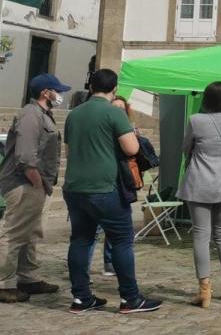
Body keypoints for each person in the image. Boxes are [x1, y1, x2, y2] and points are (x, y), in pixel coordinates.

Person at [63, 69, 161, 314]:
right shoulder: (114, 113)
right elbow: (130, 149)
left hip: (75, 187)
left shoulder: (74, 115)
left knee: (80, 240)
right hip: (105, 187)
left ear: (91, 86)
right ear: (114, 89)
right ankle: (130, 298)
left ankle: (81, 298)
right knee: (122, 242)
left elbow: (68, 151)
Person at [0, 74, 70, 303]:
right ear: (45, 92)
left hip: (35, 183)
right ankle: (4, 283)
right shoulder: (30, 115)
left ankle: (27, 276)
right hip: (24, 183)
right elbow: (25, 156)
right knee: (13, 233)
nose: (60, 95)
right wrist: (37, 182)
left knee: (29, 233)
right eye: (57, 91)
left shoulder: (42, 115)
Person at [178, 81, 221, 308]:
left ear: (206, 99)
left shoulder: (196, 120)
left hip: (198, 181)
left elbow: (186, 148)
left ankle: (204, 291)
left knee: (200, 235)